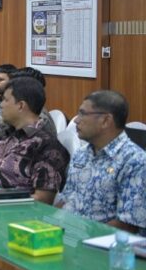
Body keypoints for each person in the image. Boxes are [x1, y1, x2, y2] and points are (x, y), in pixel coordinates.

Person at [54, 91, 146, 233]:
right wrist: (47, 224)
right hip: (68, 235)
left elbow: (128, 224)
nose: (77, 120)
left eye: (83, 113)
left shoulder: (135, 161)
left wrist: (81, 234)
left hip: (103, 245)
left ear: (106, 121)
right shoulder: (81, 154)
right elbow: (66, 200)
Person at [0, 77, 69, 204]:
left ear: (20, 106)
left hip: (8, 211)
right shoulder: (4, 136)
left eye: (6, 100)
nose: (1, 105)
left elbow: (42, 200)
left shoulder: (47, 146)